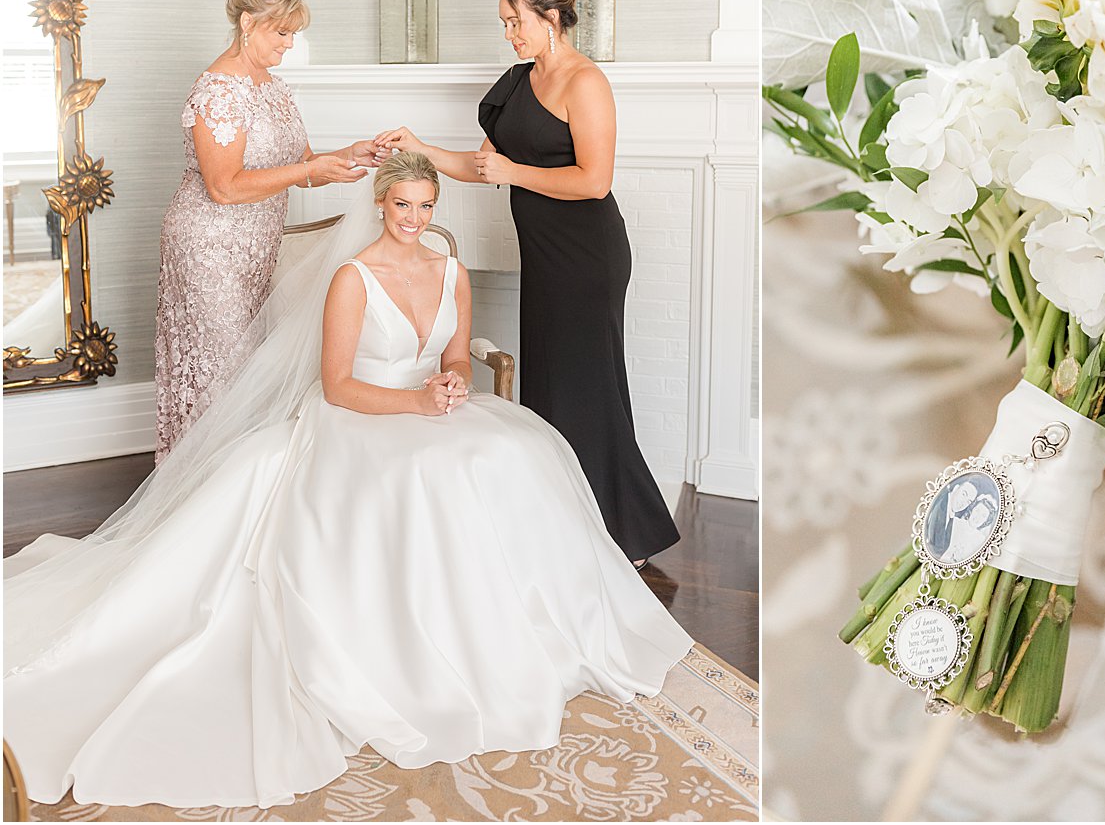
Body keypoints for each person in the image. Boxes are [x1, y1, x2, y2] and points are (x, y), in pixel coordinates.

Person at [3, 152, 691, 810]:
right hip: (362, 414)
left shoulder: (451, 270)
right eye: (402, 205)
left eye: (425, 206)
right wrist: (417, 403)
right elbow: (336, 387)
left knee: (514, 454)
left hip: (432, 410)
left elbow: (454, 355)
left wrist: (450, 382)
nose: (414, 218)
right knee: (425, 471)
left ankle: (520, 631)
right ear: (380, 203)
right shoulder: (352, 279)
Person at [378, 0, 680, 566]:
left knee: (589, 387)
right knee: (551, 385)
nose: (510, 34)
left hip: (588, 256)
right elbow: (481, 166)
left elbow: (594, 181)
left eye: (517, 21)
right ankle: (561, 513)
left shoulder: (585, 82)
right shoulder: (517, 82)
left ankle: (624, 534)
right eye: (504, 23)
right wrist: (422, 148)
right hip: (543, 256)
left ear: (551, 16)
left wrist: (517, 174)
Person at [154, 0, 379, 461]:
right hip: (209, 246)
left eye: (293, 34)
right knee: (222, 371)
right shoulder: (218, 90)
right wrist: (308, 169)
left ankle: (236, 491)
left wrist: (351, 155)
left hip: (256, 248)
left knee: (247, 368)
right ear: (248, 23)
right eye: (282, 32)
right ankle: (200, 486)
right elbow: (224, 187)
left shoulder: (275, 89)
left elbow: (303, 168)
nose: (289, 44)